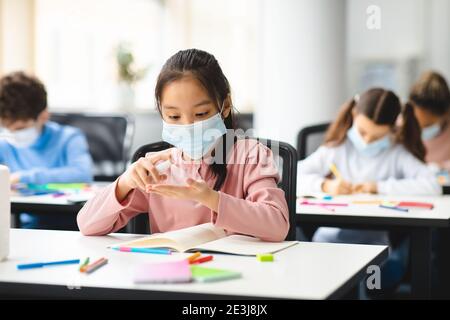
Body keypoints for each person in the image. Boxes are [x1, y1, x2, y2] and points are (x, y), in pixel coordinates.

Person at [77, 49, 289, 241]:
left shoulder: (251, 156)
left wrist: (210, 198)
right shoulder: (158, 167)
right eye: (174, 115)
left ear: (224, 106)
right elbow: (87, 225)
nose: (188, 125)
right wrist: (124, 182)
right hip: (172, 274)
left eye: (201, 114)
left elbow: (277, 225)